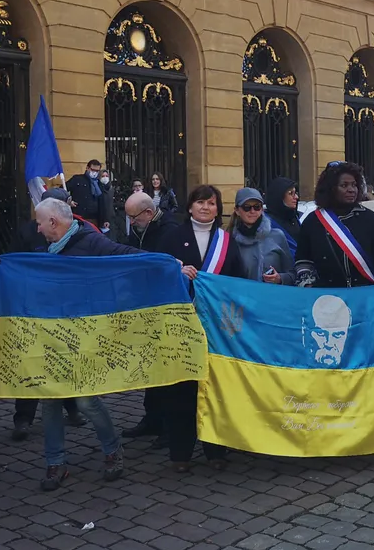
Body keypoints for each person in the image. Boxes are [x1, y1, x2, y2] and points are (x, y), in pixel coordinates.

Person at [33, 198, 146, 490]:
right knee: (50, 400)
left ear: (53, 222)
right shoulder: (45, 248)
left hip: (85, 334)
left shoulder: (92, 242)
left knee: (86, 400)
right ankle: (55, 462)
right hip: (52, 333)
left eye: (40, 222)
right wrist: (4, 265)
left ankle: (113, 449)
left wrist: (167, 262)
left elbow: (124, 255)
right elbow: (30, 266)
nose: (37, 228)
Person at [160, 185, 244, 472]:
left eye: (211, 203)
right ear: (190, 206)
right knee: (182, 389)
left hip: (216, 326)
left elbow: (237, 282)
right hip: (181, 323)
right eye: (200, 202)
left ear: (218, 209)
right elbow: (154, 272)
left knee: (215, 385)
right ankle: (180, 453)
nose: (205, 207)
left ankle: (215, 449)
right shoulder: (172, 237)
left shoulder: (227, 241)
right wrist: (176, 271)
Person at [8, 186, 90, 442]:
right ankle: (23, 418)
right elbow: (13, 260)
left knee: (64, 360)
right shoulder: (27, 231)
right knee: (31, 362)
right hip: (34, 307)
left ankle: (72, 408)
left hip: (65, 309)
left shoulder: (81, 233)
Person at [119, 191, 180, 442]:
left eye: (134, 217)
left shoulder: (170, 230)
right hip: (143, 303)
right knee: (148, 363)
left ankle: (168, 424)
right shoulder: (138, 228)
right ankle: (151, 417)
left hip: (164, 305)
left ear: (148, 212)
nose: (131, 222)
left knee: (165, 366)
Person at [295, 162, 374, 288]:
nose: (351, 189)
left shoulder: (369, 218)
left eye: (354, 185)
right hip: (328, 295)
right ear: (330, 189)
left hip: (365, 293)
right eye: (344, 185)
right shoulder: (313, 221)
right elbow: (303, 261)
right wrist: (308, 284)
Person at [227, 187, 294, 284]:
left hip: (272, 293)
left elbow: (292, 274)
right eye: (247, 207)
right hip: (243, 293)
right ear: (237, 210)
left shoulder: (277, 236)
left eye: (257, 207)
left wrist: (279, 278)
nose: (252, 211)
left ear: (262, 209)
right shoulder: (229, 240)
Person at [264, 177, 301, 261]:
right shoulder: (267, 223)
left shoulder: (294, 217)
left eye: (296, 193)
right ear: (279, 196)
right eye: (291, 193)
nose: (296, 197)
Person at [65, 159, 108, 227]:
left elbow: (102, 203)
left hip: (94, 220)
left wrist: (105, 220)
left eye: (97, 171)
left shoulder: (99, 184)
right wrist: (68, 201)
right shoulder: (77, 179)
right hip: (79, 218)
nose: (94, 172)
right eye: (92, 170)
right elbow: (62, 189)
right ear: (87, 168)